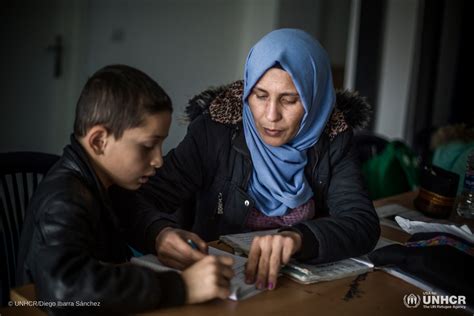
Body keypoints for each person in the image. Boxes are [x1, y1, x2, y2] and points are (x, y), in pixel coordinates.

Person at [119, 29, 380, 291]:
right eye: (260, 95)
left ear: (315, 101)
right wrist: (158, 233)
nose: (270, 115)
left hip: (296, 290)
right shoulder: (214, 132)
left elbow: (361, 222)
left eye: (289, 100)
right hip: (223, 285)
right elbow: (136, 199)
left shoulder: (333, 137)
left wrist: (299, 239)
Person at [16, 65, 234, 314]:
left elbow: (129, 211)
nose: (158, 160)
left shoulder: (104, 181)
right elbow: (65, 291)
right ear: (99, 141)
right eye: (148, 146)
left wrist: (159, 234)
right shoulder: (65, 199)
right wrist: (182, 286)